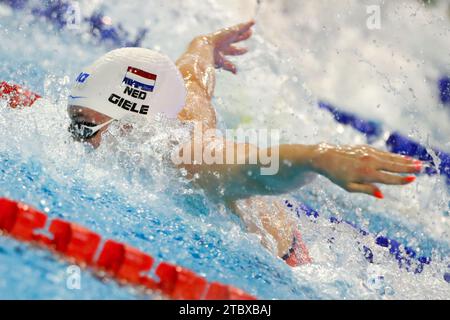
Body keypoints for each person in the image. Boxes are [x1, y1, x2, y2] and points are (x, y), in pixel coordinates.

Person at [67, 21, 422, 267]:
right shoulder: (179, 106)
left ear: (133, 126)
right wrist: (203, 44)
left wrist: (320, 157)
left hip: (284, 268)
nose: (74, 139)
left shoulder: (183, 157)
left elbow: (257, 167)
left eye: (83, 129)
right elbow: (192, 74)